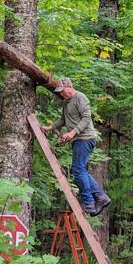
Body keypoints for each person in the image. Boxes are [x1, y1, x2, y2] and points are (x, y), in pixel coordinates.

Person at [41, 77, 111, 216]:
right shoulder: (66, 103)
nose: (61, 94)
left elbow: (86, 118)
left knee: (78, 170)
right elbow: (63, 119)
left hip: (85, 138)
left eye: (63, 91)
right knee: (80, 170)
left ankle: (89, 203)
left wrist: (73, 132)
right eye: (59, 92)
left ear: (70, 86)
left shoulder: (80, 98)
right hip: (78, 140)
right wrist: (50, 127)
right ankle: (101, 197)